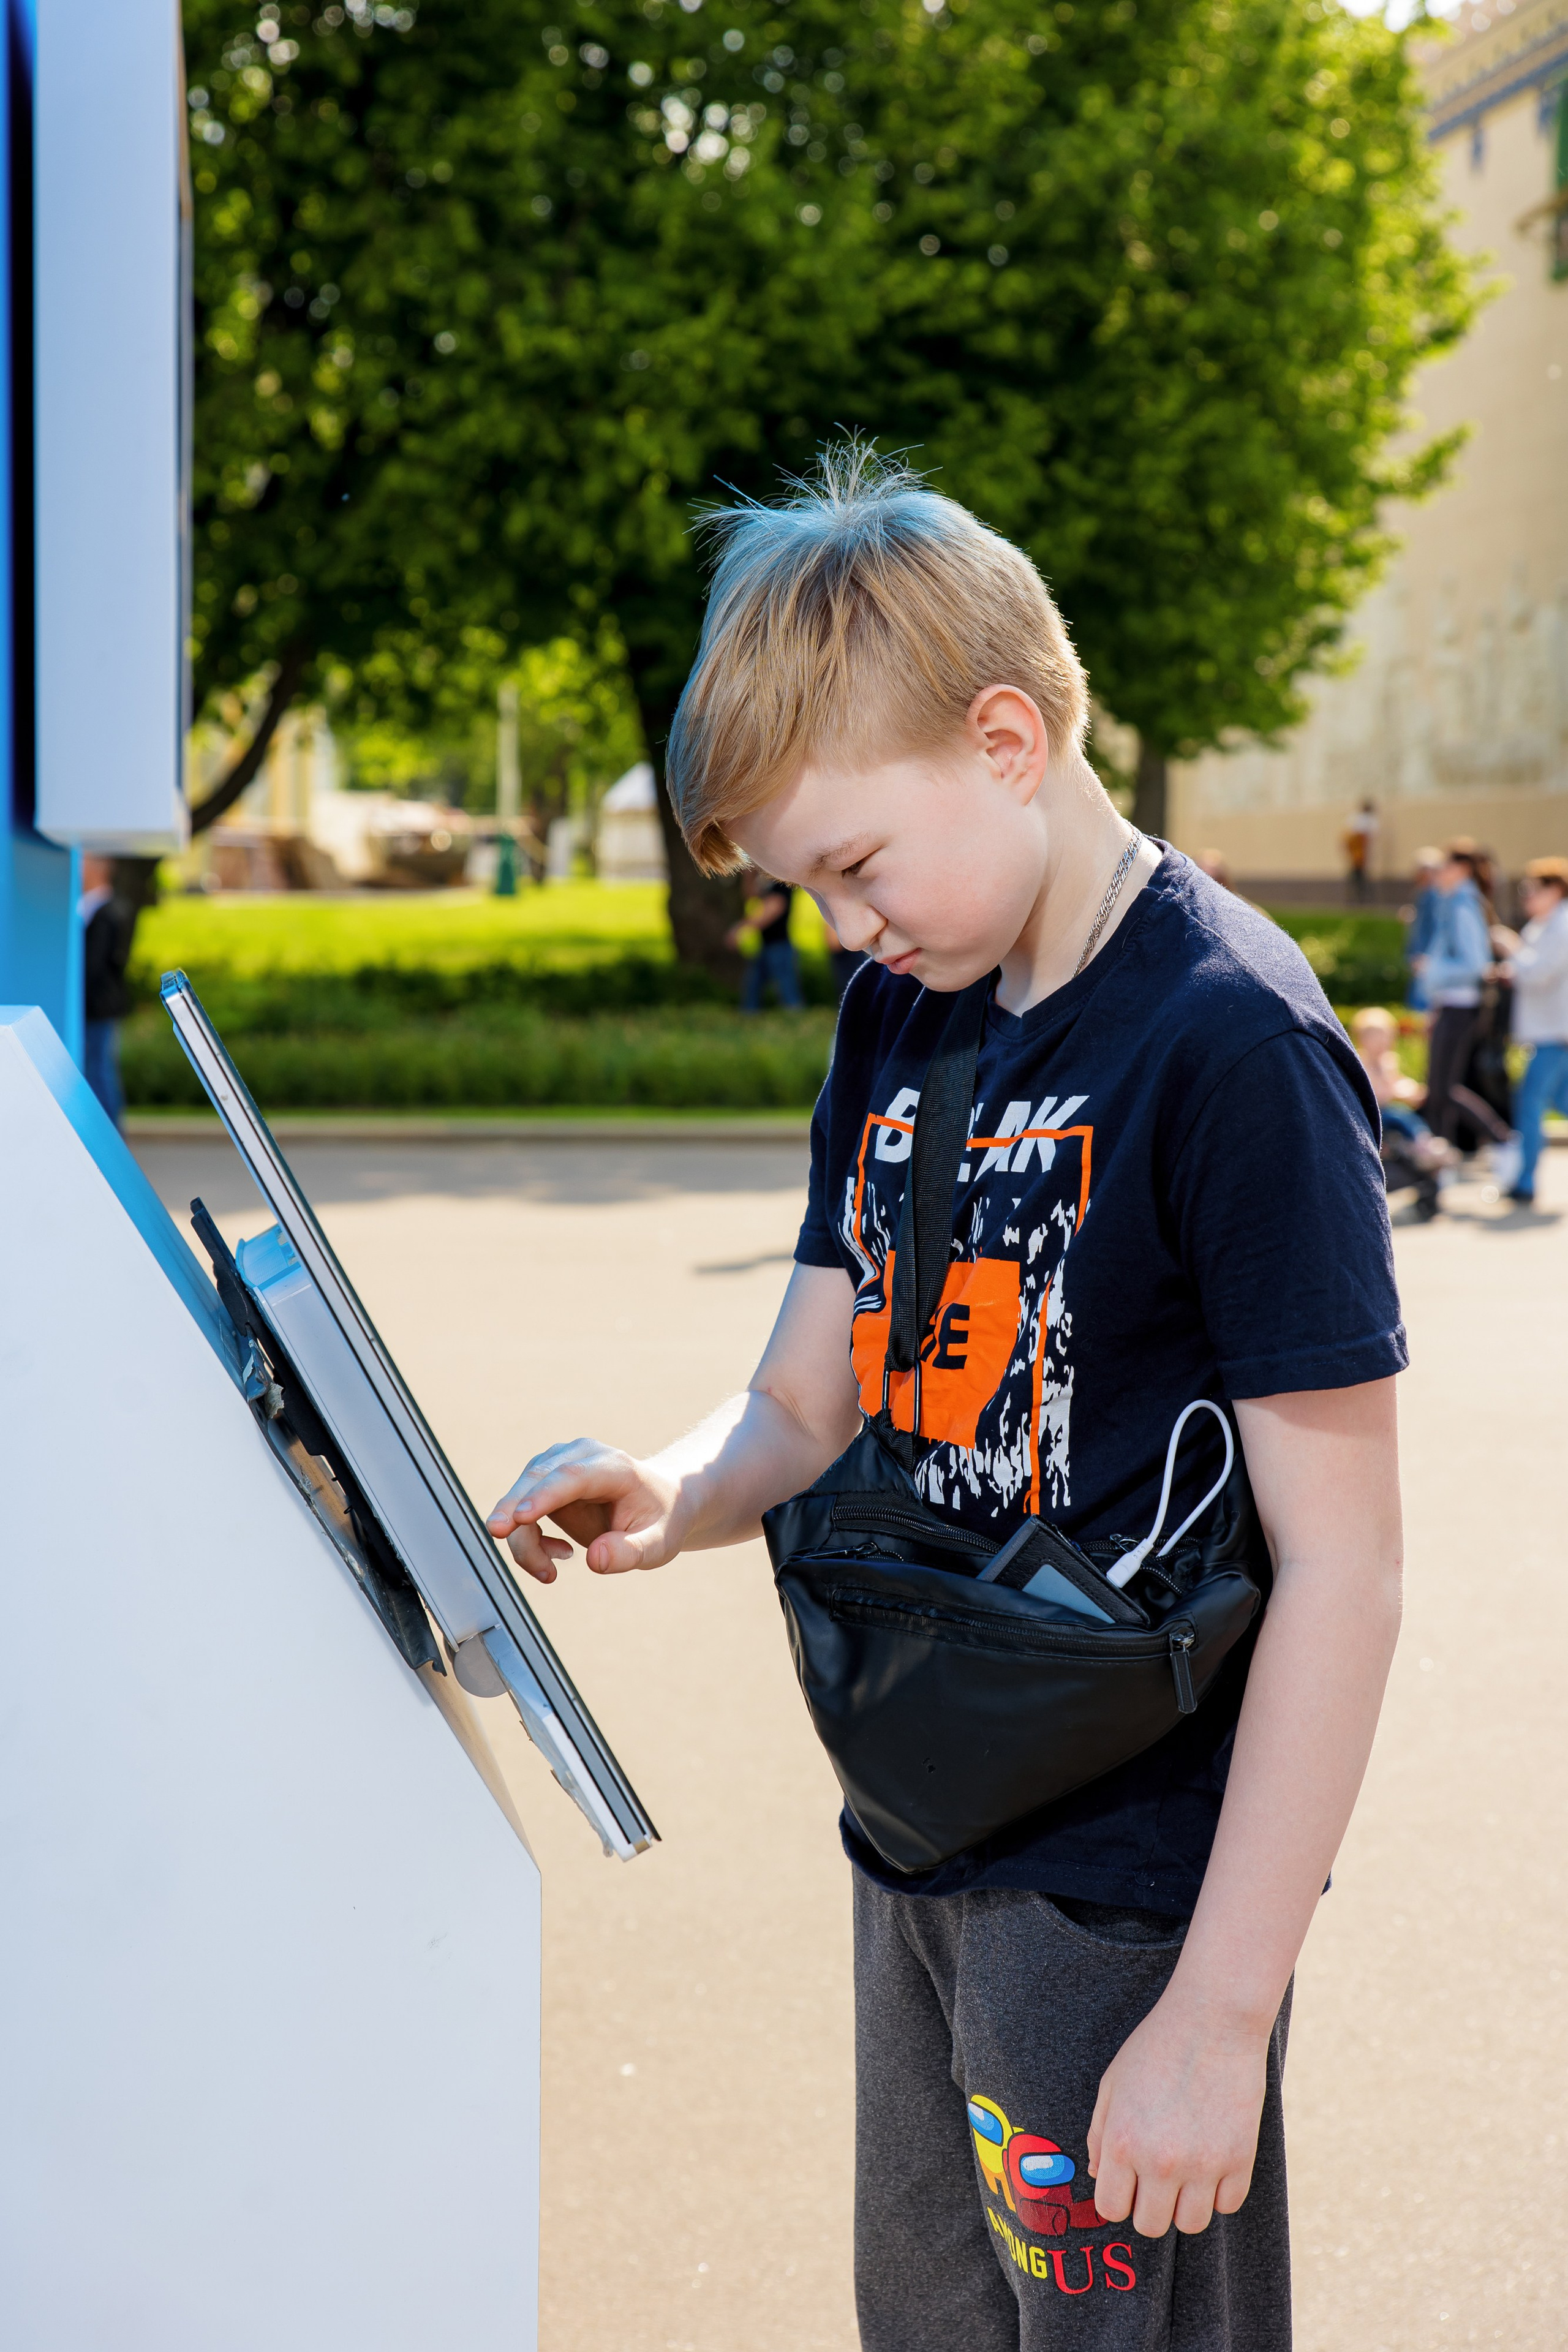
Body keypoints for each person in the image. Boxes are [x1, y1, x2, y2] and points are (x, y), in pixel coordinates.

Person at [486, 453, 1404, 2352]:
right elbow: (804, 1399)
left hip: (1128, 1894)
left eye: (849, 864)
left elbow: (1344, 1569)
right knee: (928, 2316)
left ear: (1003, 740)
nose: (841, 924)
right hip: (915, 1825)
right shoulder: (905, 1014)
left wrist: (1219, 2017)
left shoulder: (1228, 1038)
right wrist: (664, 1488)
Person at [1494, 856, 1568, 1205]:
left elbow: (1540, 973)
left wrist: (1513, 950)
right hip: (1550, 1031)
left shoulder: (1563, 924)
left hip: (1556, 1033)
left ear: (1554, 890)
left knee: (1530, 1103)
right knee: (1561, 1101)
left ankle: (1525, 1182)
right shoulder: (1543, 925)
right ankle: (1524, 1179)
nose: (1527, 897)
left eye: (1532, 890)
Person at [1412, 843, 1493, 1147]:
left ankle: (1502, 1140)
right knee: (1439, 1091)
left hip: (1460, 1005)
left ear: (1462, 870)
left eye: (1445, 866)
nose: (1438, 873)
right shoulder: (1453, 903)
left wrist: (1432, 969)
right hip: (1450, 1003)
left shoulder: (1462, 905)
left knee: (1442, 1090)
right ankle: (1439, 1166)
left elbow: (1476, 965)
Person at [1351, 1006, 1445, 1221]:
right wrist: (1398, 1092)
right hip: (1375, 1114)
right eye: (1377, 1037)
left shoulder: (1388, 1061)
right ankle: (1424, 1144)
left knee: (1408, 1115)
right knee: (1400, 1116)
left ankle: (1424, 1144)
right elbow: (1377, 1093)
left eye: (1387, 1036)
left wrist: (1412, 1090)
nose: (1383, 1042)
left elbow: (1397, 1082)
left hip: (1390, 1112)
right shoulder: (1362, 1062)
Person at [78, 853, 135, 1129]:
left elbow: (93, 965)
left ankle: (111, 1134)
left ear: (99, 868)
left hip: (97, 1006)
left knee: (99, 1071)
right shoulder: (109, 907)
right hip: (102, 1005)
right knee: (100, 1068)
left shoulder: (105, 911)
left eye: (84, 862)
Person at [729, 870, 805, 1011]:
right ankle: (749, 1016)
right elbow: (750, 896)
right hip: (766, 945)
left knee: (787, 988)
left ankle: (796, 1017)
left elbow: (774, 908)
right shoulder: (766, 883)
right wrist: (748, 875)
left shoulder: (782, 881)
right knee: (753, 985)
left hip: (780, 946)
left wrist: (742, 929)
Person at [1400, 848, 1442, 1011]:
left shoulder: (1435, 895)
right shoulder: (1423, 893)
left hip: (1425, 958)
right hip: (1418, 957)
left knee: (1422, 1004)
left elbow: (1436, 929)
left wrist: (1428, 957)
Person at [1341, 799, 1378, 903]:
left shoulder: (1368, 820)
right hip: (1358, 853)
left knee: (1360, 876)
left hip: (1361, 854)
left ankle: (1362, 898)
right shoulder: (1358, 820)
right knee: (1357, 875)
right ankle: (1358, 899)